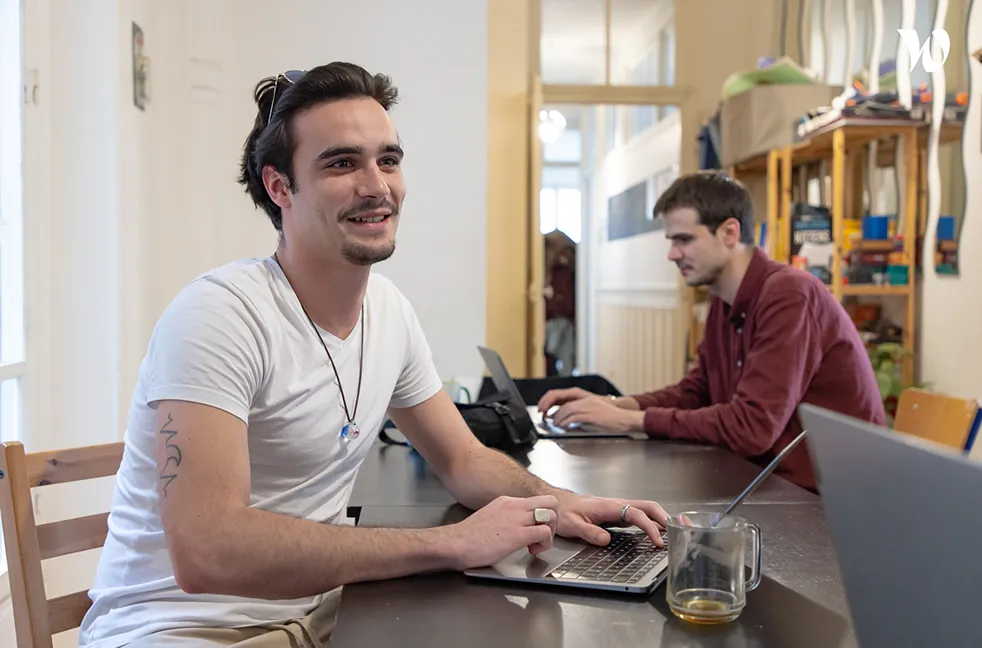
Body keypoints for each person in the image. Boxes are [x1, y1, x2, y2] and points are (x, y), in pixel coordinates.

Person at [78, 62, 668, 648]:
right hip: (180, 630)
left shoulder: (388, 311)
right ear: (280, 186)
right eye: (341, 163)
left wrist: (560, 505)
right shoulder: (216, 316)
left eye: (388, 159)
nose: (376, 185)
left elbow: (462, 460)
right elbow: (206, 552)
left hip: (322, 616)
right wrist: (450, 544)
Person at [537, 171, 885, 492]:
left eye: (684, 239)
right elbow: (697, 391)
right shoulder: (725, 297)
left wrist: (630, 420)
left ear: (729, 233)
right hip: (769, 484)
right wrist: (609, 405)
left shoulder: (789, 295)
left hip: (826, 503)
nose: (673, 253)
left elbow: (752, 428)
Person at [543, 229, 576, 376]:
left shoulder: (564, 273)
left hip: (562, 320)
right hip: (550, 321)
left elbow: (568, 305)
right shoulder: (546, 273)